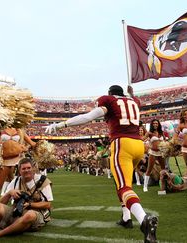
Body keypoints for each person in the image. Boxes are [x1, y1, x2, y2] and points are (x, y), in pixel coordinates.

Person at [45, 85, 158, 243]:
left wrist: (60, 125)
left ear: (110, 94)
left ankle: (144, 220)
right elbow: (134, 99)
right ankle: (126, 218)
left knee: (124, 187)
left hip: (122, 143)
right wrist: (131, 94)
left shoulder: (109, 100)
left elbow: (88, 117)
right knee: (122, 183)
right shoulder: (133, 101)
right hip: (139, 145)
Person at [0, 158, 53, 239]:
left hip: (36, 213)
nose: (26, 170)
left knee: (30, 215)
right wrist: (9, 193)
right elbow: (1, 203)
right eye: (23, 168)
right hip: (16, 211)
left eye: (29, 168)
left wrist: (30, 204)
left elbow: (48, 204)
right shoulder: (16, 181)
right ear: (19, 171)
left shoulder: (42, 180)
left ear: (33, 169)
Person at [143, 119, 169, 192]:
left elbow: (165, 141)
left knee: (163, 169)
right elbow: (143, 139)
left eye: (156, 123)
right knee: (149, 169)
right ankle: (145, 186)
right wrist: (148, 144)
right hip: (153, 152)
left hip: (161, 153)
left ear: (158, 124)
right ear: (152, 124)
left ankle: (164, 185)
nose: (155, 124)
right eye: (154, 123)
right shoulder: (149, 133)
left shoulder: (161, 133)